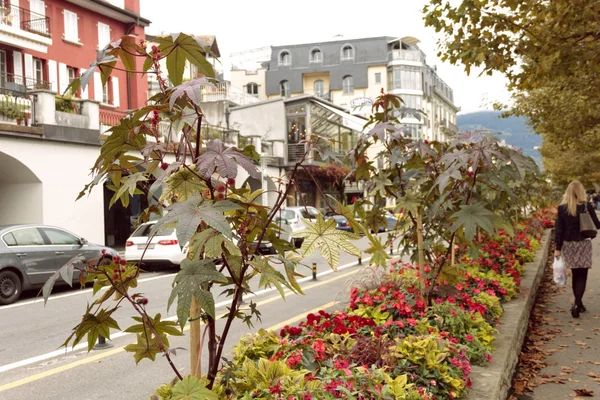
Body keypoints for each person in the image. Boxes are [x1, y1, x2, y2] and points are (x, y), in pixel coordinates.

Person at [555, 180, 600, 318]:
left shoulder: (562, 208)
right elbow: (597, 225)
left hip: (569, 244)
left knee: (575, 273)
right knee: (583, 274)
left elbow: (559, 230)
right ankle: (577, 303)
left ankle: (578, 304)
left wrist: (558, 248)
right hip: (583, 243)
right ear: (581, 191)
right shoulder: (586, 206)